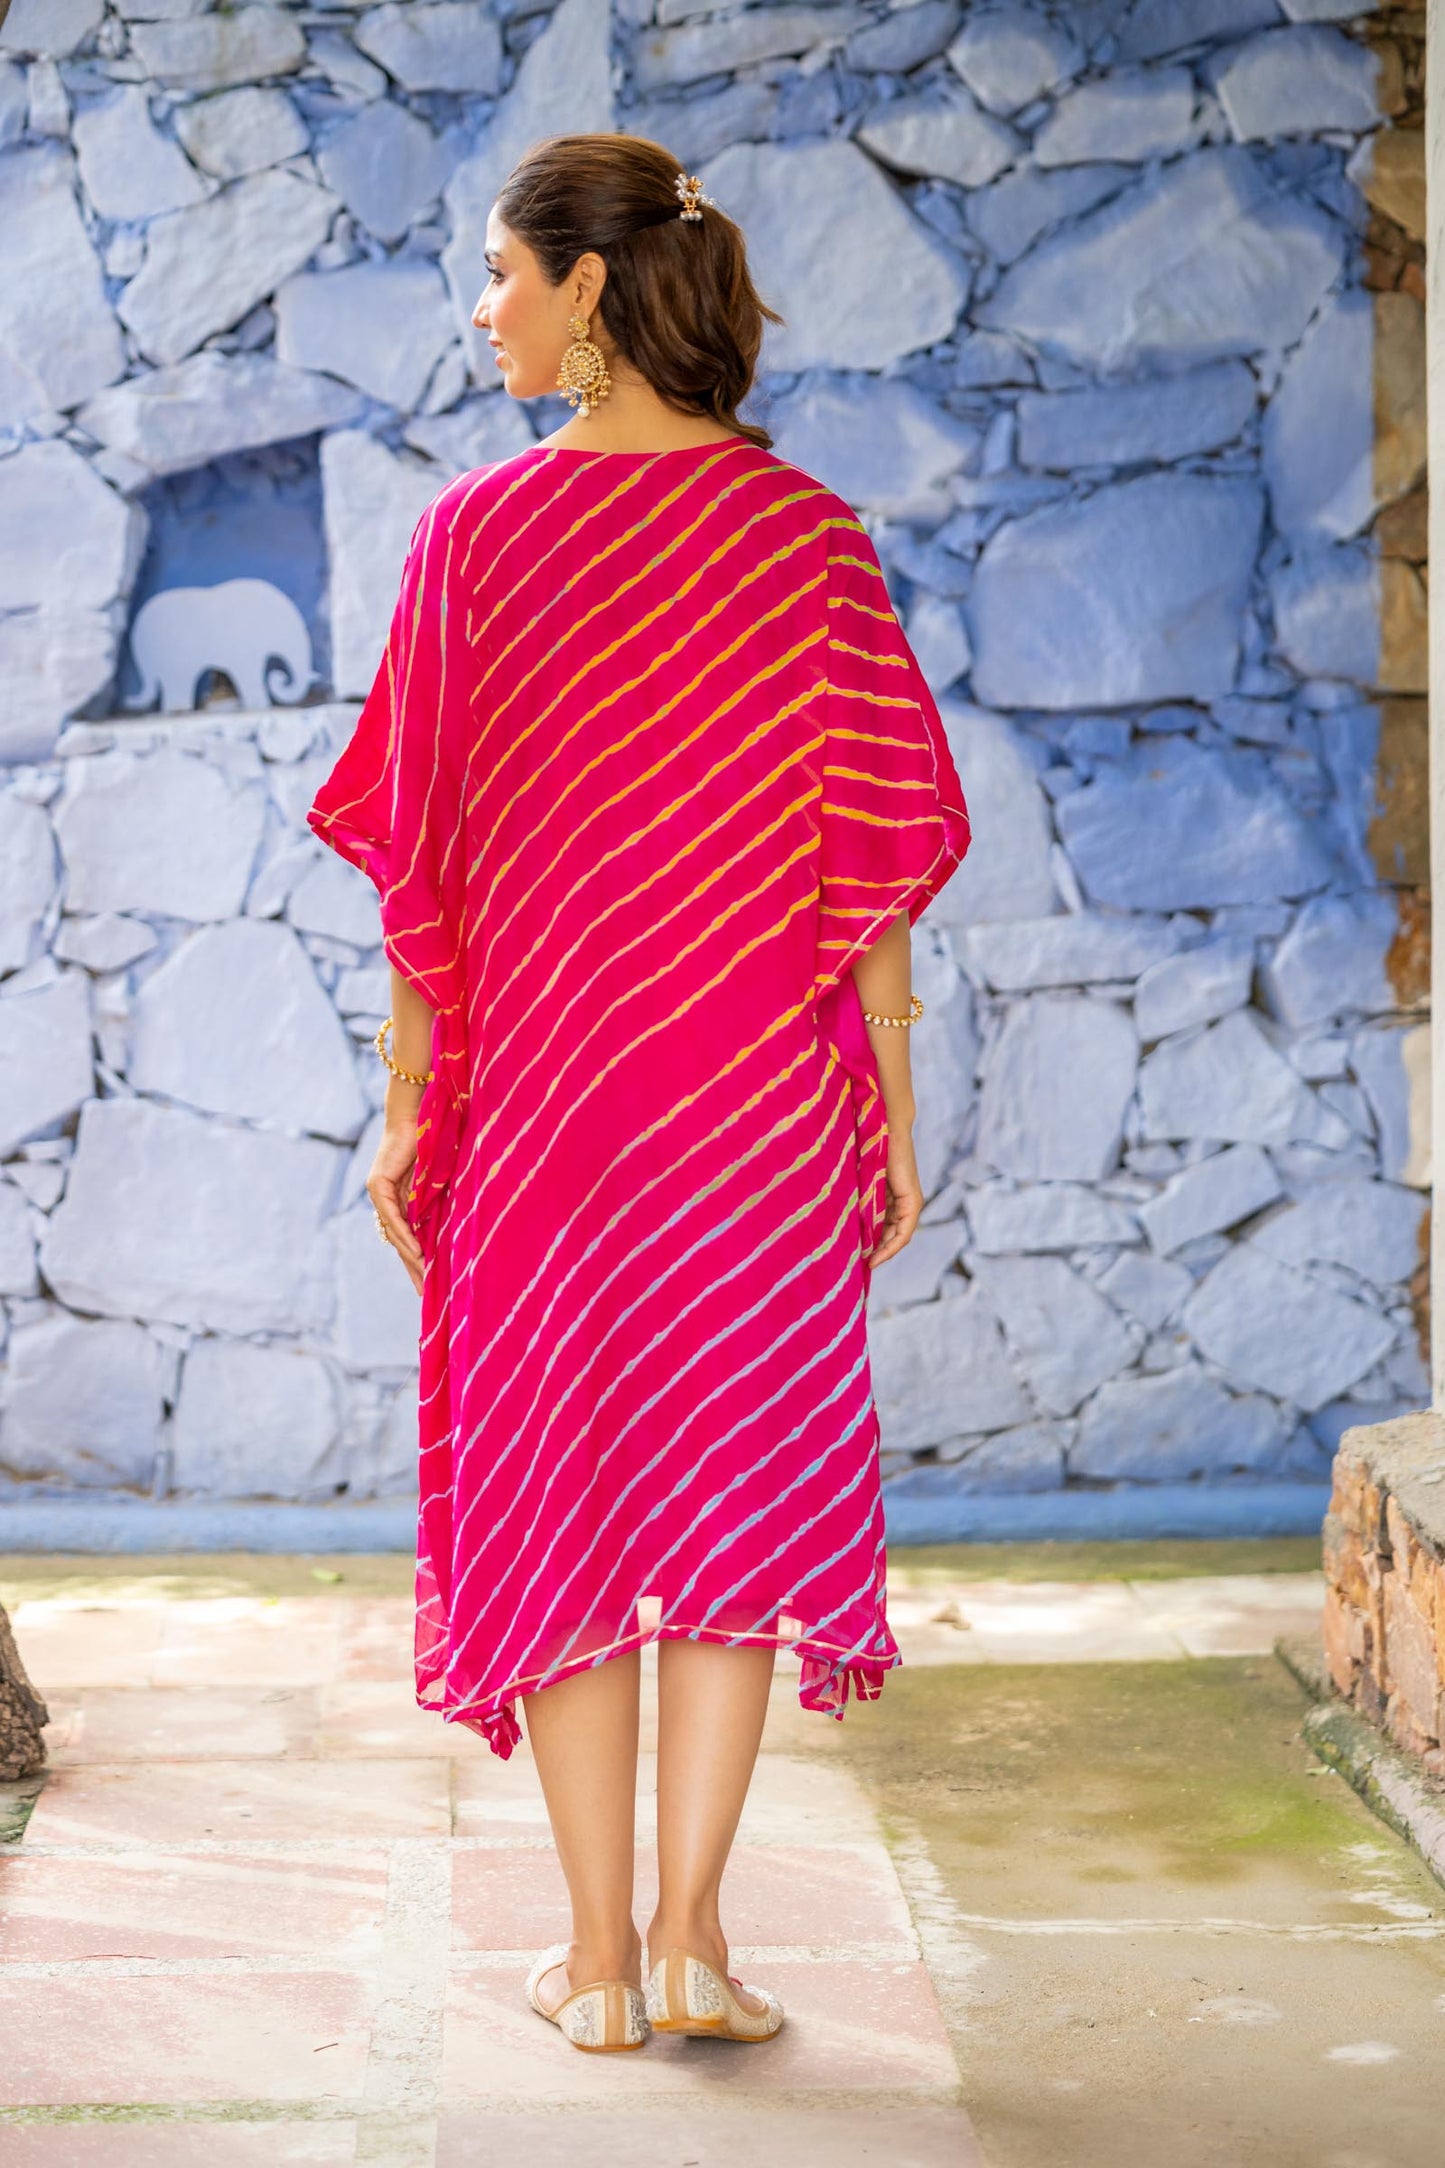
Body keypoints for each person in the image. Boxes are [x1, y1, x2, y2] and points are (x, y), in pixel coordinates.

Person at [308, 132, 971, 2055]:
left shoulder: (475, 540)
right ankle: (691, 1940)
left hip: (546, 1120)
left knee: (564, 1493)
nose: (483, 311)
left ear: (586, 286)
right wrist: (891, 1109)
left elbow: (421, 868)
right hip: (758, 1116)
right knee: (735, 1495)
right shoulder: (809, 542)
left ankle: (595, 1961)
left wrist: (409, 1102)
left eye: (501, 274)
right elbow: (868, 863)